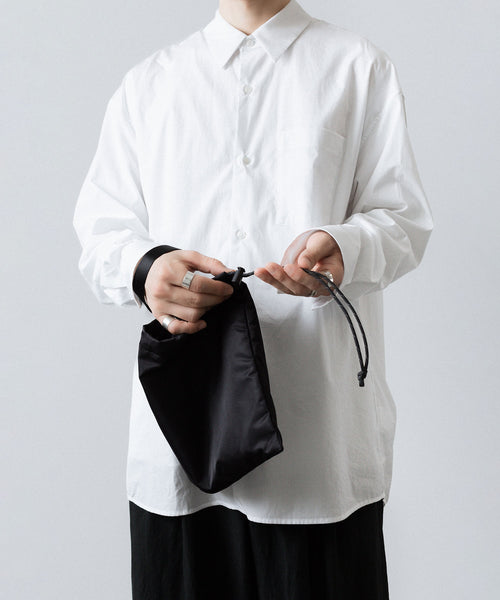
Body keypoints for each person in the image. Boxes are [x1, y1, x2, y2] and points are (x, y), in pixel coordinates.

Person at [72, 0, 433, 597]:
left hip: (316, 443)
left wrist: (346, 247)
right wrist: (146, 269)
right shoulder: (150, 84)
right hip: (181, 440)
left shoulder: (357, 67)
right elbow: (101, 232)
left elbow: (403, 219)